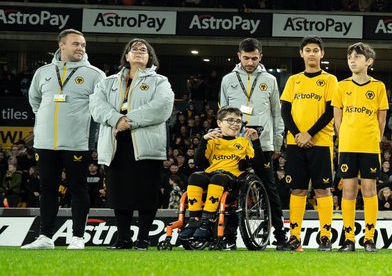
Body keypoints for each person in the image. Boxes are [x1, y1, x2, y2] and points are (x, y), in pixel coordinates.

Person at [23, 29, 104, 250]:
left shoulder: (94, 74)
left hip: (78, 142)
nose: (81, 48)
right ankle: (45, 237)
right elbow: (35, 101)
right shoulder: (43, 72)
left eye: (83, 45)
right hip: (45, 142)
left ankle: (78, 237)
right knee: (48, 188)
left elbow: (100, 107)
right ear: (62, 45)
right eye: (76, 44)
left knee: (78, 188)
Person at [89, 38, 174, 249]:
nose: (138, 52)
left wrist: (129, 121)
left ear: (149, 57)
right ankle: (124, 238)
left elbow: (162, 107)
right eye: (134, 49)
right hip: (116, 143)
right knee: (119, 192)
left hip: (146, 144)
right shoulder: (107, 82)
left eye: (143, 50)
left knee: (147, 193)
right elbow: (96, 106)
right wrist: (116, 120)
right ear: (126, 56)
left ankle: (144, 238)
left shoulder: (160, 81)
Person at [219, 37, 286, 248]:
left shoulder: (270, 80)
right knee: (230, 189)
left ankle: (280, 236)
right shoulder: (228, 79)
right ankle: (228, 238)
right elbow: (221, 114)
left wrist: (276, 142)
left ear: (261, 57)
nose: (250, 63)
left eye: (254, 58)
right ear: (238, 56)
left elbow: (277, 114)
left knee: (270, 189)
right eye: (246, 58)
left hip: (263, 144)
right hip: (234, 145)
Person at [280, 36, 338, 251]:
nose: (312, 53)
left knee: (323, 190)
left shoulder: (331, 80)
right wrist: (297, 134)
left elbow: (330, 111)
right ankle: (295, 238)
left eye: (316, 50)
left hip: (321, 142)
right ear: (301, 54)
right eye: (308, 50)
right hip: (295, 143)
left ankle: (325, 237)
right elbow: (285, 111)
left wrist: (309, 134)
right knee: (298, 190)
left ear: (322, 54)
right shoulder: (294, 80)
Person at [333, 43, 389, 253]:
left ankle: (369, 238)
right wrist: (344, 137)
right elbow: (337, 118)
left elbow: (381, 118)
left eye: (357, 57)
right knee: (347, 190)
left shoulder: (378, 87)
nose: (352, 60)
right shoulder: (341, 86)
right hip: (348, 145)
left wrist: (375, 137)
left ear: (369, 61)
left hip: (369, 146)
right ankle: (348, 239)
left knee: (369, 190)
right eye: (350, 57)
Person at [180, 108, 259, 242]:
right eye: (230, 120)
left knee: (218, 178)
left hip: (231, 177)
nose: (235, 124)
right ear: (219, 123)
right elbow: (199, 163)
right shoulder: (212, 140)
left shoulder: (243, 142)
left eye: (238, 121)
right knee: (195, 176)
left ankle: (207, 221)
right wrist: (203, 140)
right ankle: (194, 220)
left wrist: (256, 141)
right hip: (212, 173)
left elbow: (258, 164)